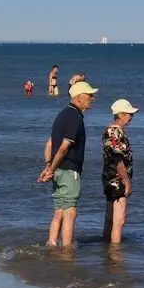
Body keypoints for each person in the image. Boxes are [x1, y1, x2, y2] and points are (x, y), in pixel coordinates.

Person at [38, 81, 99, 246]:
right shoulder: (74, 117)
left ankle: (52, 246)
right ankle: (67, 252)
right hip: (68, 170)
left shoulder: (62, 114)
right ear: (79, 98)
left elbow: (49, 143)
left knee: (59, 212)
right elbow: (64, 148)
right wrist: (51, 168)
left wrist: (48, 166)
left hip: (59, 171)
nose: (92, 98)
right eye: (89, 95)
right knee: (70, 212)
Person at [102, 99, 139, 244]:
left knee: (111, 218)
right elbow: (117, 159)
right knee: (119, 220)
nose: (131, 117)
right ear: (120, 114)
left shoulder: (112, 130)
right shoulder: (115, 132)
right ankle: (115, 253)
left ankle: (107, 247)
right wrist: (127, 181)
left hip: (110, 178)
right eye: (130, 114)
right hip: (117, 180)